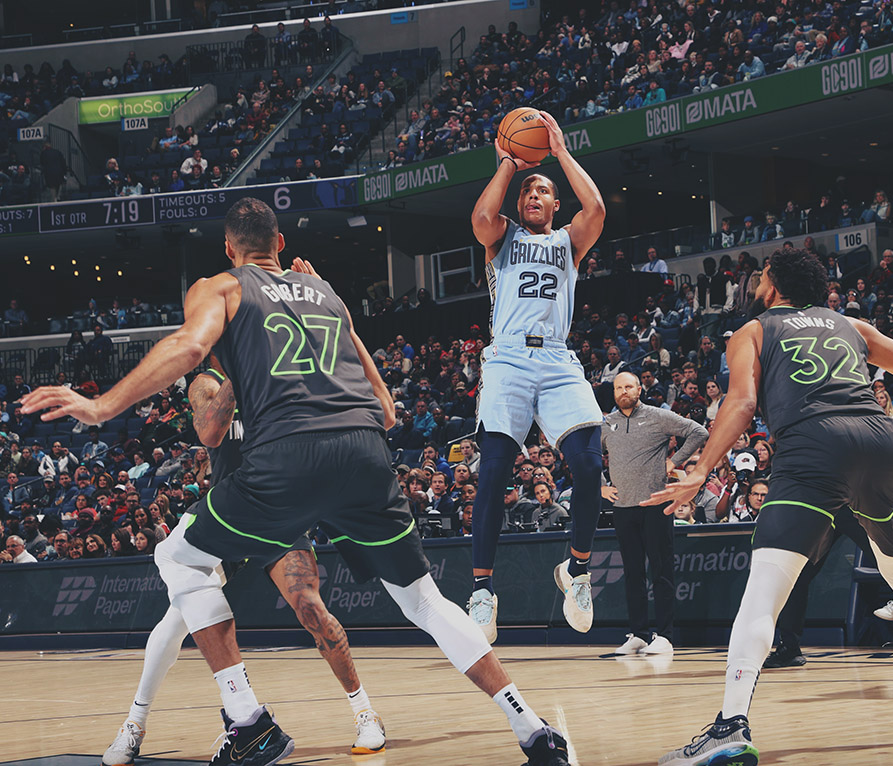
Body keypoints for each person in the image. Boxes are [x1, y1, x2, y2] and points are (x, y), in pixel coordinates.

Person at [22, 198, 571, 766]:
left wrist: (101, 406)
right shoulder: (328, 294)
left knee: (177, 560)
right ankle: (532, 729)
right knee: (426, 602)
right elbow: (386, 410)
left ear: (230, 250)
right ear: (281, 245)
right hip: (364, 451)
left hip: (284, 461)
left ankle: (247, 719)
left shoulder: (223, 286)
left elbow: (187, 347)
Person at [647, 249, 893, 766]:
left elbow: (742, 403)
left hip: (814, 447)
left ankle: (729, 727)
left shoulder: (753, 330)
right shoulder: (851, 325)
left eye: (761, 276)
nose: (757, 283)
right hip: (880, 444)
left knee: (764, 591)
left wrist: (702, 468)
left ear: (773, 286)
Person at [99, 357, 389, 763]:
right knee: (175, 620)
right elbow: (211, 433)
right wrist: (241, 371)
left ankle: (365, 713)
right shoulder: (206, 382)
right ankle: (134, 724)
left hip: (278, 517)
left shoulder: (281, 378)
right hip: (227, 519)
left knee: (311, 609)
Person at [468, 111, 605, 644]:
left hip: (555, 359)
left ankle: (575, 569)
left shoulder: (568, 242)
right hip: (505, 359)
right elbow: (481, 217)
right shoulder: (501, 238)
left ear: (554, 204)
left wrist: (560, 153)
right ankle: (482, 589)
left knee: (590, 463)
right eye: (527, 190)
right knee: (495, 469)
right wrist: (508, 162)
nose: (533, 196)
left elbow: (594, 208)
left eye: (543, 190)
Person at [602, 371, 708, 656]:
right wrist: (601, 486)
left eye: (629, 386)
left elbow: (699, 432)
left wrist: (673, 461)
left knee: (661, 572)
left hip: (656, 505)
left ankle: (664, 636)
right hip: (623, 507)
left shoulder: (657, 416)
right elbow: (587, 454)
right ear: (614, 392)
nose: (623, 391)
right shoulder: (607, 423)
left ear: (639, 389)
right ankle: (638, 633)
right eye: (618, 387)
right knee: (633, 573)